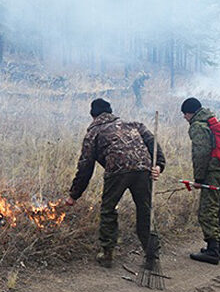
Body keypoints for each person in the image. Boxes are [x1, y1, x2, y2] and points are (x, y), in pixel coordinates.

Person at [65, 98, 164, 268]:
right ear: (111, 112)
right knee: (145, 210)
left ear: (93, 115)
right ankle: (151, 255)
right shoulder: (134, 125)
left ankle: (107, 254)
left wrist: (74, 195)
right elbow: (153, 144)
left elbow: (85, 168)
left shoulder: (93, 133)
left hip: (117, 171)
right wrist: (158, 165)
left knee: (108, 210)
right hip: (143, 170)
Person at [181, 97, 220, 265]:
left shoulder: (198, 126)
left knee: (207, 209)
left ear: (190, 113)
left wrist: (199, 178)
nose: (184, 118)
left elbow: (201, 153)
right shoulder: (211, 120)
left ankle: (212, 251)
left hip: (212, 171)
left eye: (184, 114)